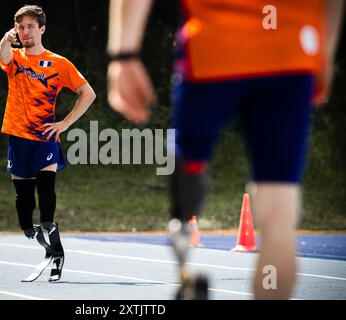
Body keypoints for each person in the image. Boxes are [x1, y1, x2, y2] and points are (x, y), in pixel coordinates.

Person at [107, 0, 343, 299]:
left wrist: (124, 54)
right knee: (278, 212)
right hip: (289, 53)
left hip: (213, 49)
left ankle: (184, 250)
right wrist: (325, 52)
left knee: (188, 162)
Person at [0, 5, 96, 282]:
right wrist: (6, 40)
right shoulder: (15, 58)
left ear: (41, 29)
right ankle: (42, 240)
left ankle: (54, 241)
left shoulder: (58, 62)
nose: (25, 31)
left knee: (46, 191)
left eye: (31, 26)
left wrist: (65, 124)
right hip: (18, 137)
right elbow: (3, 57)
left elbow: (87, 93)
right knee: (24, 207)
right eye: (21, 27)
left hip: (44, 136)